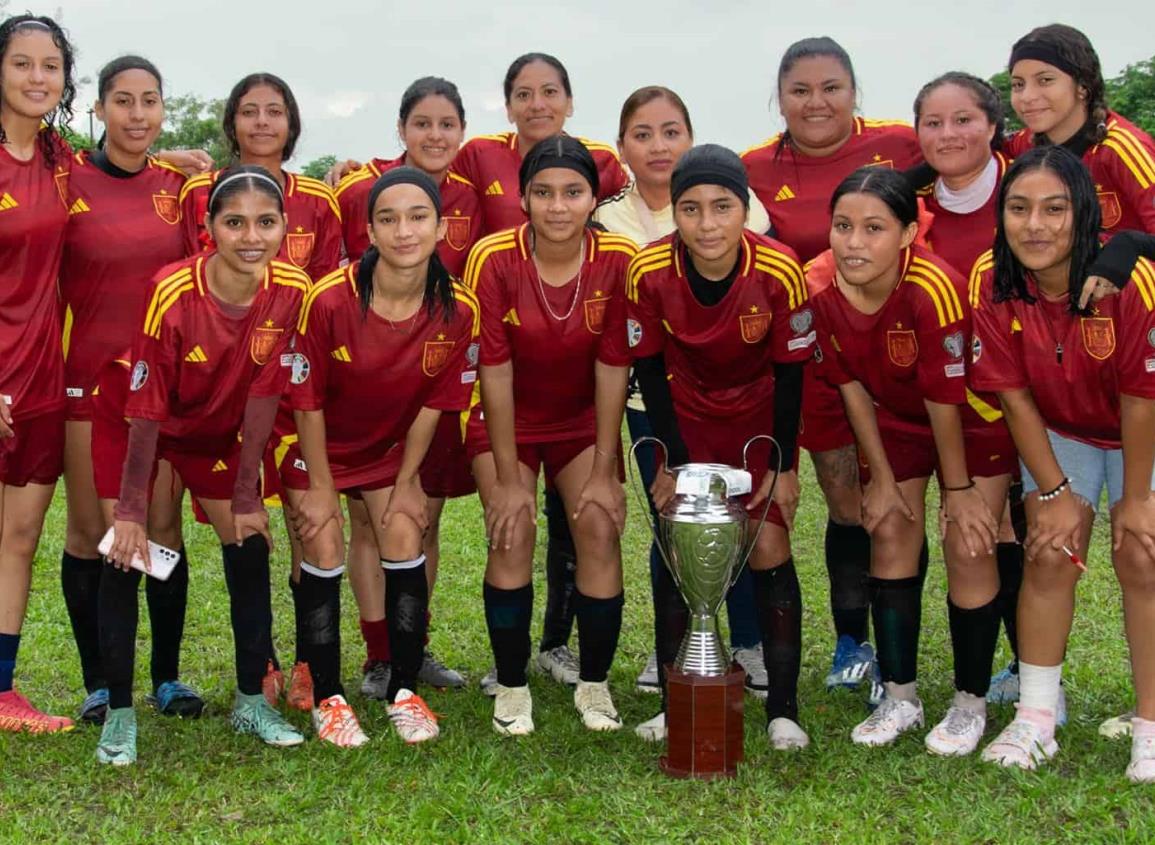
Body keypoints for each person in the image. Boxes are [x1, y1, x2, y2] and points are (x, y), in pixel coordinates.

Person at [93, 165, 308, 764]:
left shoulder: (289, 288)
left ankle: (249, 701)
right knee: (127, 551)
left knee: (248, 539)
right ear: (209, 226)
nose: (250, 236)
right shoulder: (172, 290)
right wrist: (131, 512)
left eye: (265, 222)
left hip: (214, 432)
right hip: (139, 423)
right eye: (234, 222)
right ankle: (119, 712)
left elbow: (266, 396)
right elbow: (146, 406)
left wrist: (245, 496)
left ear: (284, 227)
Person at [810, 166, 1015, 753]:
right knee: (891, 532)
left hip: (973, 422)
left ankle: (969, 704)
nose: (854, 242)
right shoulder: (824, 293)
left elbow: (947, 397)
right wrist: (878, 479)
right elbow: (851, 389)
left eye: (874, 228)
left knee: (968, 543)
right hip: (897, 420)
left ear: (906, 234)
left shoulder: (932, 287)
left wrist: (958, 490)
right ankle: (900, 697)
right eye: (843, 226)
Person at [741, 37, 922, 695]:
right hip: (813, 361)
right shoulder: (755, 166)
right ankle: (853, 643)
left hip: (899, 351)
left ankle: (899, 643)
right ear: (779, 95)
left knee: (898, 500)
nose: (815, 102)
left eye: (829, 87)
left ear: (853, 91)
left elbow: (981, 164)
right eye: (799, 89)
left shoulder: (904, 147)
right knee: (847, 497)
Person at [970, 146, 1155, 782]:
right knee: (1049, 551)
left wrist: (1134, 498)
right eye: (1019, 209)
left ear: (1085, 214)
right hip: (1063, 429)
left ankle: (1152, 726)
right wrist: (1052, 495)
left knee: (1142, 552)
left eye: (1056, 209)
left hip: (1143, 426)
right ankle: (1036, 718)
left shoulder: (1128, 281)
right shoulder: (992, 281)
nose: (1036, 225)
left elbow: (1141, 397)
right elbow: (1013, 396)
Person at [628, 144, 815, 749]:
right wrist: (672, 462)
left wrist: (780, 465)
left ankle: (782, 708)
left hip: (756, 418)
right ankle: (673, 690)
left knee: (767, 544)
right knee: (680, 548)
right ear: (674, 214)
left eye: (722, 206)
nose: (707, 224)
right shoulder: (648, 270)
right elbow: (649, 371)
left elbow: (791, 375)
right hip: (684, 414)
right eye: (691, 208)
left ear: (746, 208)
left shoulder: (780, 270)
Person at [284, 167, 478, 744]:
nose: (404, 231)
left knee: (401, 531)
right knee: (323, 541)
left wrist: (408, 480)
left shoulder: (457, 309)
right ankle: (327, 697)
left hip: (386, 448)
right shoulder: (330, 299)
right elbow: (306, 400)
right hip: (313, 445)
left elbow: (434, 405)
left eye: (418, 217)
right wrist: (320, 485)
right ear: (368, 231)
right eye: (388, 219)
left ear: (441, 226)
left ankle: (402, 689)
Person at [454, 53, 629, 691]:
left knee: (599, 524)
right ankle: (511, 684)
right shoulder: (492, 258)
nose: (558, 206)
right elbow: (492, 374)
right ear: (523, 196)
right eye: (544, 192)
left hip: (580, 418)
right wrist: (506, 478)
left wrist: (607, 470)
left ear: (593, 196)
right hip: (507, 418)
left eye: (572, 191)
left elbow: (613, 368)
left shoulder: (617, 258)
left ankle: (595, 683)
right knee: (513, 528)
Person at [594, 85, 773, 698]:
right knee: (673, 521)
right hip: (656, 403)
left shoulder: (735, 206)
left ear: (690, 138)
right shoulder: (607, 216)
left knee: (742, 518)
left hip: (738, 399)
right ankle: (670, 648)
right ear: (622, 148)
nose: (658, 145)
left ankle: (748, 640)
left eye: (671, 131)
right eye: (642, 134)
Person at [179, 72, 343, 706]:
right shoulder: (204, 192)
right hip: (228, 393)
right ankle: (263, 663)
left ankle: (308, 661)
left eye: (275, 111)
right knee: (249, 530)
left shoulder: (321, 204)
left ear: (292, 123)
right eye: (249, 112)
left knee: (308, 523)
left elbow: (328, 302)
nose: (263, 123)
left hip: (295, 390)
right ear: (232, 123)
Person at [57, 55, 204, 727]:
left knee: (161, 528)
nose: (137, 114)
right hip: (87, 379)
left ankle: (167, 677)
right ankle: (96, 682)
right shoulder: (67, 179)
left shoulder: (178, 186)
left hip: (159, 386)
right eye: (123, 101)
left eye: (149, 101)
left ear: (162, 111)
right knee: (92, 533)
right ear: (99, 108)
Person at [331, 76, 481, 695]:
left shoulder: (475, 196)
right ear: (401, 130)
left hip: (436, 381)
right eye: (422, 123)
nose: (435, 135)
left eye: (448, 124)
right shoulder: (359, 186)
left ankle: (411, 647)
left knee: (422, 519)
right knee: (369, 522)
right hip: (370, 380)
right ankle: (377, 655)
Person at [0, 13, 77, 734]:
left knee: (19, 535)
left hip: (41, 377)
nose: (36, 78)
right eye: (21, 63)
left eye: (49, 65)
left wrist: (176, 158)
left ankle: (1, 691)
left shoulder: (59, 156)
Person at [1003, 24, 1155, 235]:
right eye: (1018, 85)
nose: (1027, 96)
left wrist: (1125, 248)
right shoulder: (1024, 145)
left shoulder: (1121, 148)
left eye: (1045, 80)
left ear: (1083, 86)